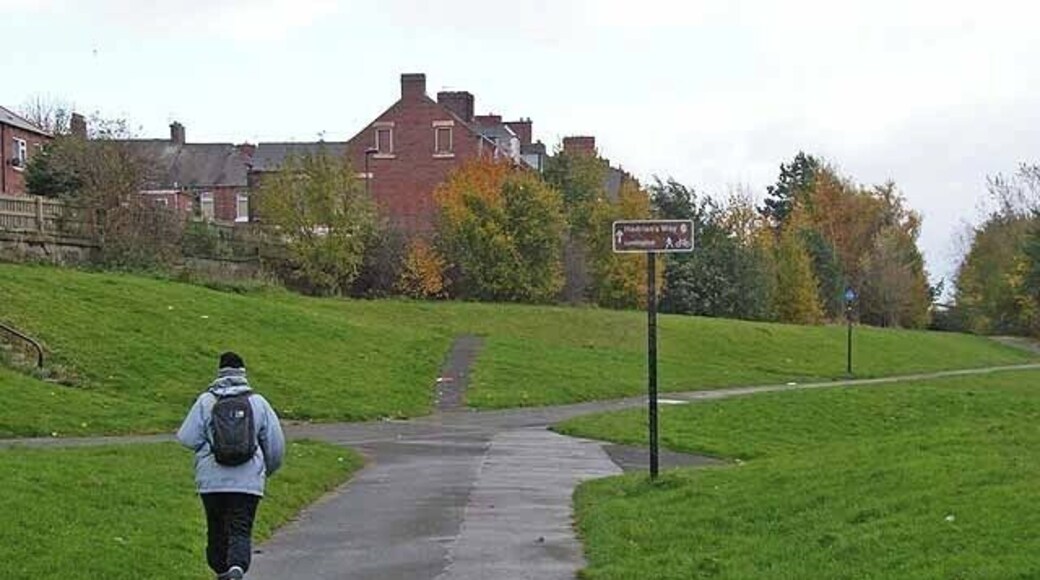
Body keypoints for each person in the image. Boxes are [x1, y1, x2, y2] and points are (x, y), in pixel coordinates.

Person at [177, 351, 285, 580]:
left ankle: (221, 570)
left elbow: (187, 437)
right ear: (243, 373)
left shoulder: (206, 401)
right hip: (247, 482)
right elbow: (275, 446)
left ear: (220, 372)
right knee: (240, 528)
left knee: (216, 528)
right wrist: (266, 472)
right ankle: (237, 568)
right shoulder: (258, 403)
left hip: (212, 482)